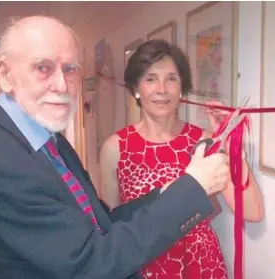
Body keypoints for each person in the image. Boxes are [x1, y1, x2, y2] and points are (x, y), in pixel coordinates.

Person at [0, 16, 231, 279]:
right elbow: (91, 261)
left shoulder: (48, 139)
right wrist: (192, 189)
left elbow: (100, 222)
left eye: (70, 69)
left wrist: (167, 192)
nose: (62, 85)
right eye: (43, 67)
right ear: (6, 75)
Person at [99, 39, 264, 279]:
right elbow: (110, 224)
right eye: (151, 78)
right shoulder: (115, 148)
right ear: (136, 88)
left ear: (181, 88)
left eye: (172, 78)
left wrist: (231, 147)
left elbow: (251, 211)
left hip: (202, 266)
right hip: (146, 267)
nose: (162, 88)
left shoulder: (205, 141)